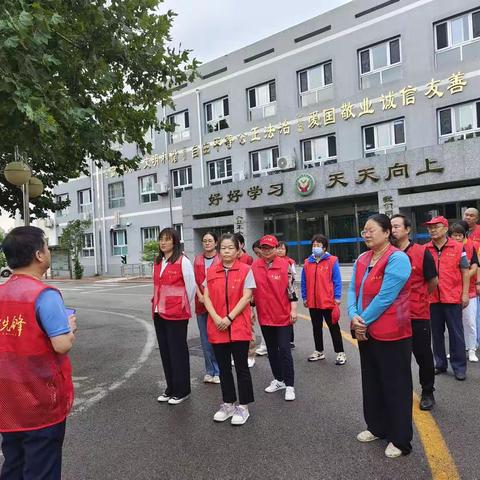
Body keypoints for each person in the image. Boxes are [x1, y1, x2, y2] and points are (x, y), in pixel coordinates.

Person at [0, 226, 76, 480]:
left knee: (13, 463)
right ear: (38, 255)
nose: (47, 250)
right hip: (41, 402)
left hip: (7, 402)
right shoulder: (45, 295)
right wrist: (70, 329)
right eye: (45, 245)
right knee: (42, 467)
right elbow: (62, 345)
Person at [347, 214, 413, 459]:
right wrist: (354, 315)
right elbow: (353, 289)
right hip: (366, 330)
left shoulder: (398, 259)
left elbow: (386, 296)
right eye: (364, 230)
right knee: (372, 381)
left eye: (371, 230)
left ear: (387, 233)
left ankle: (400, 439)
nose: (366, 234)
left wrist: (362, 320)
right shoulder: (363, 258)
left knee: (396, 386)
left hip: (393, 333)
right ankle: (376, 426)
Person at [203, 234, 256, 425]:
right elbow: (206, 297)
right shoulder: (212, 271)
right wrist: (217, 318)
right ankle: (228, 403)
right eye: (223, 248)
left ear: (237, 250)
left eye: (230, 248)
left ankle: (243, 407)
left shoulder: (246, 269)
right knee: (224, 369)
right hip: (217, 326)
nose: (226, 251)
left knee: (241, 368)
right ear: (219, 250)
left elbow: (247, 296)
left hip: (238, 326)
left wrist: (229, 318)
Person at [391, 214, 438, 411]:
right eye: (391, 227)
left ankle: (427, 392)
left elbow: (433, 282)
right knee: (398, 357)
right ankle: (401, 393)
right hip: (394, 315)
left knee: (423, 355)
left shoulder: (421, 252)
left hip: (417, 314)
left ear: (408, 229)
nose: (393, 230)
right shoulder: (389, 253)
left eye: (397, 226)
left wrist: (418, 298)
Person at [153, 227, 196, 405]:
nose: (163, 242)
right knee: (165, 352)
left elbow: (191, 288)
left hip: (177, 315)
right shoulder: (157, 261)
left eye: (167, 239)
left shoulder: (182, 261)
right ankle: (170, 388)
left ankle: (182, 389)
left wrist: (180, 305)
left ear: (175, 241)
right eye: (161, 239)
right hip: (158, 313)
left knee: (177, 352)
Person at [252, 235, 298, 401]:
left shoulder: (285, 265)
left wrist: (293, 310)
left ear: (276, 248)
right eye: (263, 248)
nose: (266, 251)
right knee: (271, 350)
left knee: (284, 349)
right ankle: (279, 380)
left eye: (270, 248)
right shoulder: (254, 266)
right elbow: (251, 291)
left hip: (282, 315)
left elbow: (292, 290)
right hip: (265, 316)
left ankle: (290, 384)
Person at [424, 216, 470, 381]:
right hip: (432, 299)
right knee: (436, 334)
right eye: (430, 228)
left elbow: (465, 270)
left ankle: (459, 367)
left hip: (452, 297)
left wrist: (465, 293)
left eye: (436, 227)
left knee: (456, 334)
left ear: (445, 228)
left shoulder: (458, 247)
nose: (432, 230)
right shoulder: (425, 249)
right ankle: (440, 364)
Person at [301, 234, 345, 365]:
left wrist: (337, 297)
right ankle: (319, 351)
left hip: (328, 301)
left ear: (324, 248)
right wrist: (304, 297)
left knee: (333, 327)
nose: (315, 248)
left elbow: (337, 280)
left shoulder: (332, 260)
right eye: (314, 245)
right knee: (316, 327)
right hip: (313, 302)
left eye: (318, 245)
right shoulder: (307, 262)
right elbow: (304, 281)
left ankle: (340, 352)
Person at [449, 223, 479, 362]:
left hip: (470, 291)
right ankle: (456, 349)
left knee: (470, 322)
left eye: (460, 235)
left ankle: (472, 349)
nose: (457, 238)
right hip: (451, 292)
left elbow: (475, 266)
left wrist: (464, 275)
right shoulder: (446, 249)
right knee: (454, 325)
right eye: (454, 235)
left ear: (464, 236)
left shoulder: (470, 247)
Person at [194, 232, 221, 383]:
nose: (207, 243)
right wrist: (200, 295)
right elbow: (193, 281)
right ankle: (209, 370)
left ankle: (219, 371)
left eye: (210, 241)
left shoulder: (221, 259)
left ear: (216, 243)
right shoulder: (197, 260)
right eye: (204, 241)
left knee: (217, 339)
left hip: (217, 305)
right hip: (201, 303)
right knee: (205, 340)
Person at [234, 233, 256, 367]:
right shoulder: (228, 260)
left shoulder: (248, 259)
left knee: (249, 327)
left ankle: (251, 355)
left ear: (241, 245)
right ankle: (238, 356)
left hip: (247, 298)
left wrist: (252, 303)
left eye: (236, 244)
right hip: (233, 298)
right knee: (236, 329)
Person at [277, 241, 297, 349]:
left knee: (288, 316)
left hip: (288, 290)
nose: (280, 251)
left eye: (282, 249)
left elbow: (293, 277)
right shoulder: (272, 261)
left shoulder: (290, 261)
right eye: (278, 248)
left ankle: (289, 340)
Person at [252, 240, 269, 357]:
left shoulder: (281, 264)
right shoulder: (255, 265)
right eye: (256, 254)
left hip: (276, 303)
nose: (258, 256)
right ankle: (265, 345)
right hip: (261, 302)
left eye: (259, 252)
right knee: (265, 324)